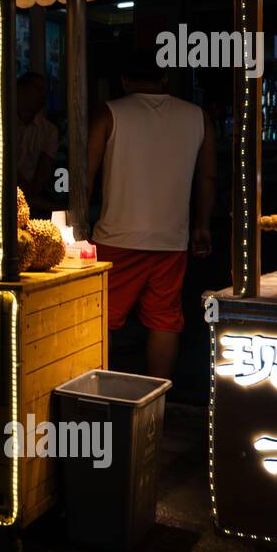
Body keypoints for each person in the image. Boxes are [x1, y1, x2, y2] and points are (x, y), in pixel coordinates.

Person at [87, 55, 216, 380]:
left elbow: (82, 177)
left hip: (115, 239)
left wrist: (76, 228)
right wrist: (202, 225)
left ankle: (92, 393)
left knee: (100, 319)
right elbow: (207, 178)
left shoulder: (109, 113)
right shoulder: (198, 117)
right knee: (165, 320)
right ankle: (159, 399)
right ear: (165, 79)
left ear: (125, 81)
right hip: (171, 240)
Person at [14, 72, 59, 214]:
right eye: (38, 89)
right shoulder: (2, 123)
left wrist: (31, 190)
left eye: (45, 91)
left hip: (32, 196)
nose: (43, 96)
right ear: (20, 90)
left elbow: (44, 169)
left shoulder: (49, 130)